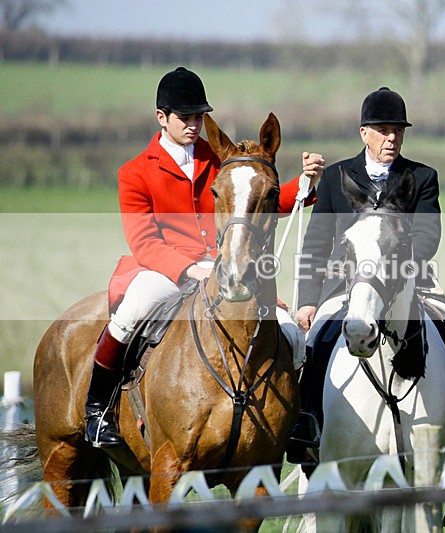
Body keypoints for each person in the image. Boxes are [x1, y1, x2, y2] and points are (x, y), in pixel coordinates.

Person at [84, 66, 325, 448]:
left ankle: (295, 421)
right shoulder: (134, 172)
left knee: (291, 333)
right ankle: (97, 411)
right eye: (185, 117)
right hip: (164, 268)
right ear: (161, 117)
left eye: (199, 116)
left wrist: (305, 183)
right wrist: (188, 269)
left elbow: (257, 203)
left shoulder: (219, 160)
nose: (194, 124)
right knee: (134, 310)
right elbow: (144, 241)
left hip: (226, 265)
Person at [288, 87, 445, 455]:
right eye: (382, 130)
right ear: (364, 133)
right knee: (318, 336)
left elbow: (428, 236)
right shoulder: (335, 177)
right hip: (345, 285)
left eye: (397, 130)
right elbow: (316, 243)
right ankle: (307, 417)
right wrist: (307, 301)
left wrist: (396, 269)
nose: (391, 138)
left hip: (409, 280)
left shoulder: (422, 176)